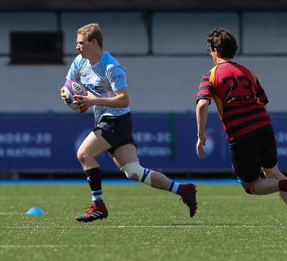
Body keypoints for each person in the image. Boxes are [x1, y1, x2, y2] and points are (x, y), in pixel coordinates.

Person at [60, 23, 197, 222]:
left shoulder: (111, 67)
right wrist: (66, 96)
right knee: (134, 172)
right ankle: (184, 190)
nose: (77, 47)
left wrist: (92, 100)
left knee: (84, 154)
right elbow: (67, 86)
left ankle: (98, 205)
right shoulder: (79, 62)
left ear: (94, 43)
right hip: (106, 119)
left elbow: (123, 99)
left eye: (81, 43)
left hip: (117, 120)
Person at [195, 27, 287, 227]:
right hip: (264, 127)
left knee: (250, 185)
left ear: (215, 50)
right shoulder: (247, 71)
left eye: (210, 50)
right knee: (273, 172)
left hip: (242, 135)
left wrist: (200, 135)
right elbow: (264, 101)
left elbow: (202, 104)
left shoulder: (211, 75)